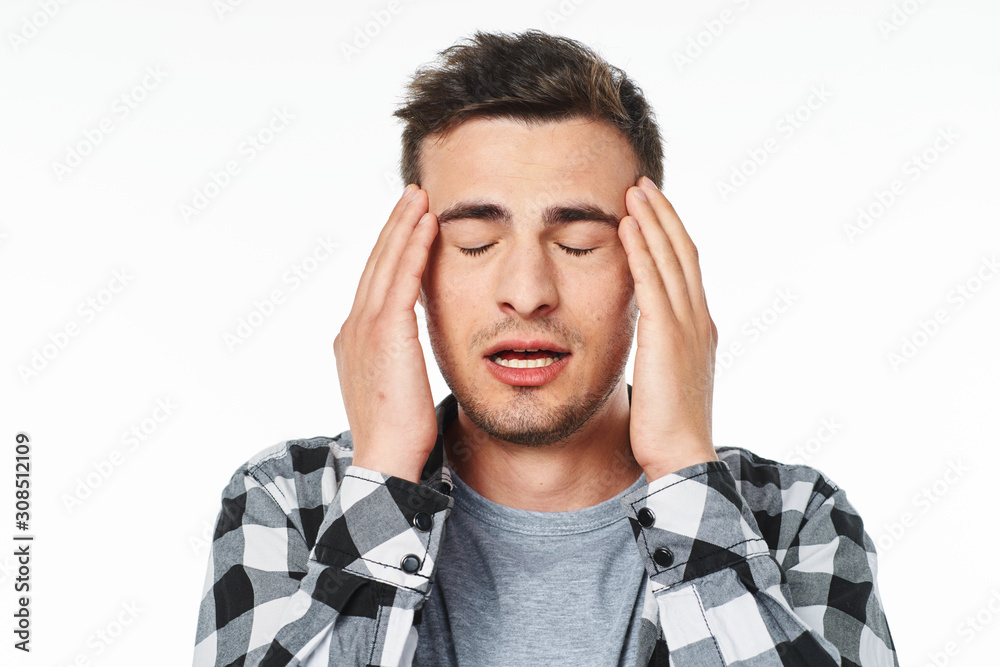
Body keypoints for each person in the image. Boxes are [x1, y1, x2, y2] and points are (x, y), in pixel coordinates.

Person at [194, 29, 898, 666]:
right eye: (475, 243)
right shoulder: (290, 499)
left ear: (649, 269)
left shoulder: (796, 518)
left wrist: (685, 466)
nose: (527, 291)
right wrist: (381, 480)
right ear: (412, 270)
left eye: (577, 243)